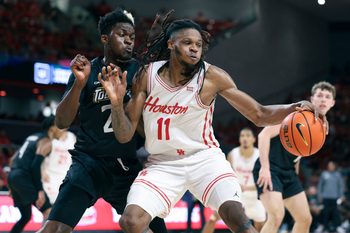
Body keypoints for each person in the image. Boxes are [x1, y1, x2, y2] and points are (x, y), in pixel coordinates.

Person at [99, 16, 317, 233]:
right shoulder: (147, 76)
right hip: (162, 163)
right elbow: (125, 135)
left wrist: (295, 107)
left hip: (205, 159)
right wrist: (117, 104)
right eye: (187, 43)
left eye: (198, 45)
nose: (194, 49)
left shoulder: (212, 77)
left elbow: (259, 114)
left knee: (236, 216)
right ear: (171, 44)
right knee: (131, 222)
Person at [37, 9, 167, 233]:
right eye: (122, 34)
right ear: (105, 39)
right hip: (89, 163)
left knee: (154, 229)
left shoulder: (139, 72)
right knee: (54, 229)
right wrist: (79, 84)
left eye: (132, 37)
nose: (129, 40)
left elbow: (149, 131)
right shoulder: (88, 71)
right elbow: (61, 122)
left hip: (125, 165)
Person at [253, 81, 336, 233]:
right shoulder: (297, 114)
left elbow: (299, 152)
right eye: (319, 95)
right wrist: (265, 168)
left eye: (327, 96)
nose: (323, 99)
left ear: (332, 102)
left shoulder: (320, 126)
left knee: (305, 219)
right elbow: (263, 135)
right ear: (312, 99)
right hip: (270, 169)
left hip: (289, 172)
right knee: (276, 216)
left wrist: (295, 173)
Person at [202, 128, 266, 233]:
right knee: (212, 220)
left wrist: (247, 188)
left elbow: (263, 179)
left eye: (248, 135)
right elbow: (226, 174)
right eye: (242, 136)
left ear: (254, 139)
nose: (245, 138)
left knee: (260, 226)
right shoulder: (233, 154)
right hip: (237, 194)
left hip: (254, 195)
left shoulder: (259, 155)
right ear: (239, 139)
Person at [8, 116, 64, 233]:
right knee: (49, 212)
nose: (63, 131)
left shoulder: (33, 137)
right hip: (24, 177)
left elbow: (12, 160)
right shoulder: (47, 141)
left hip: (14, 176)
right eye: (61, 128)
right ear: (52, 128)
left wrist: (12, 184)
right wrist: (40, 191)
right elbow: (35, 166)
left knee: (25, 217)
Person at [41, 130, 76, 204]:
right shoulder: (50, 136)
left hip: (66, 174)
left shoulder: (72, 137)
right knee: (50, 203)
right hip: (50, 175)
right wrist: (42, 171)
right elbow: (40, 157)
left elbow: (77, 155)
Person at [315, 160, 345, 233]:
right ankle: (324, 227)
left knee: (335, 213)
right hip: (325, 197)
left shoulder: (338, 175)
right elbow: (320, 186)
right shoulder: (324, 174)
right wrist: (320, 196)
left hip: (335, 197)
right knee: (325, 212)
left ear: (334, 166)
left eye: (332, 165)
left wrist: (341, 195)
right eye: (329, 165)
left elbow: (341, 186)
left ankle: (336, 227)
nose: (330, 167)